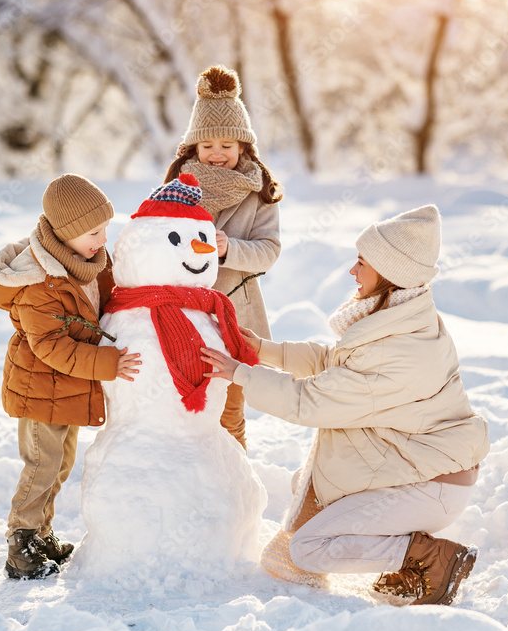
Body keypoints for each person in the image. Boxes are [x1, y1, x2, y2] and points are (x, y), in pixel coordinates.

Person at [201, 204, 489, 605]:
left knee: (309, 548)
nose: (352, 272)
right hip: (423, 467)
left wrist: (240, 374)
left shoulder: (398, 349)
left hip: (428, 486)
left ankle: (429, 558)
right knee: (310, 480)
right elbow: (336, 364)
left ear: (391, 275)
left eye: (361, 263)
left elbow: (310, 402)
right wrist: (263, 351)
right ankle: (409, 559)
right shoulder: (403, 316)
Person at [0, 174, 141, 579]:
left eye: (106, 228)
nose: (103, 239)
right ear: (68, 232)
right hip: (41, 388)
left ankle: (42, 532)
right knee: (41, 464)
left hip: (68, 388)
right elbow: (51, 347)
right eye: (94, 231)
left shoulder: (87, 263)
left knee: (60, 464)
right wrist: (107, 362)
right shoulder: (41, 282)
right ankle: (21, 542)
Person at [163, 64, 283, 452]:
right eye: (207, 146)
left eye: (226, 146)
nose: (216, 154)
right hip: (184, 314)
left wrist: (230, 248)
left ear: (243, 147)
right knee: (187, 405)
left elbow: (269, 251)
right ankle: (191, 476)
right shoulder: (177, 189)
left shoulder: (258, 193)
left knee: (230, 407)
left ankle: (234, 481)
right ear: (193, 148)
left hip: (234, 314)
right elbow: (155, 242)